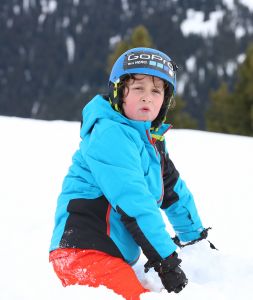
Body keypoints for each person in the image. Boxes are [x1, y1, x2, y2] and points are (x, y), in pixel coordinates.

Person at [49, 47, 207, 300]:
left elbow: (174, 193)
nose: (147, 98)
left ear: (164, 101)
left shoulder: (150, 142)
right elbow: (135, 203)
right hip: (81, 256)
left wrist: (195, 240)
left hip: (111, 257)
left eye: (156, 91)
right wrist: (166, 261)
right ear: (119, 93)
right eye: (138, 89)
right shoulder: (109, 134)